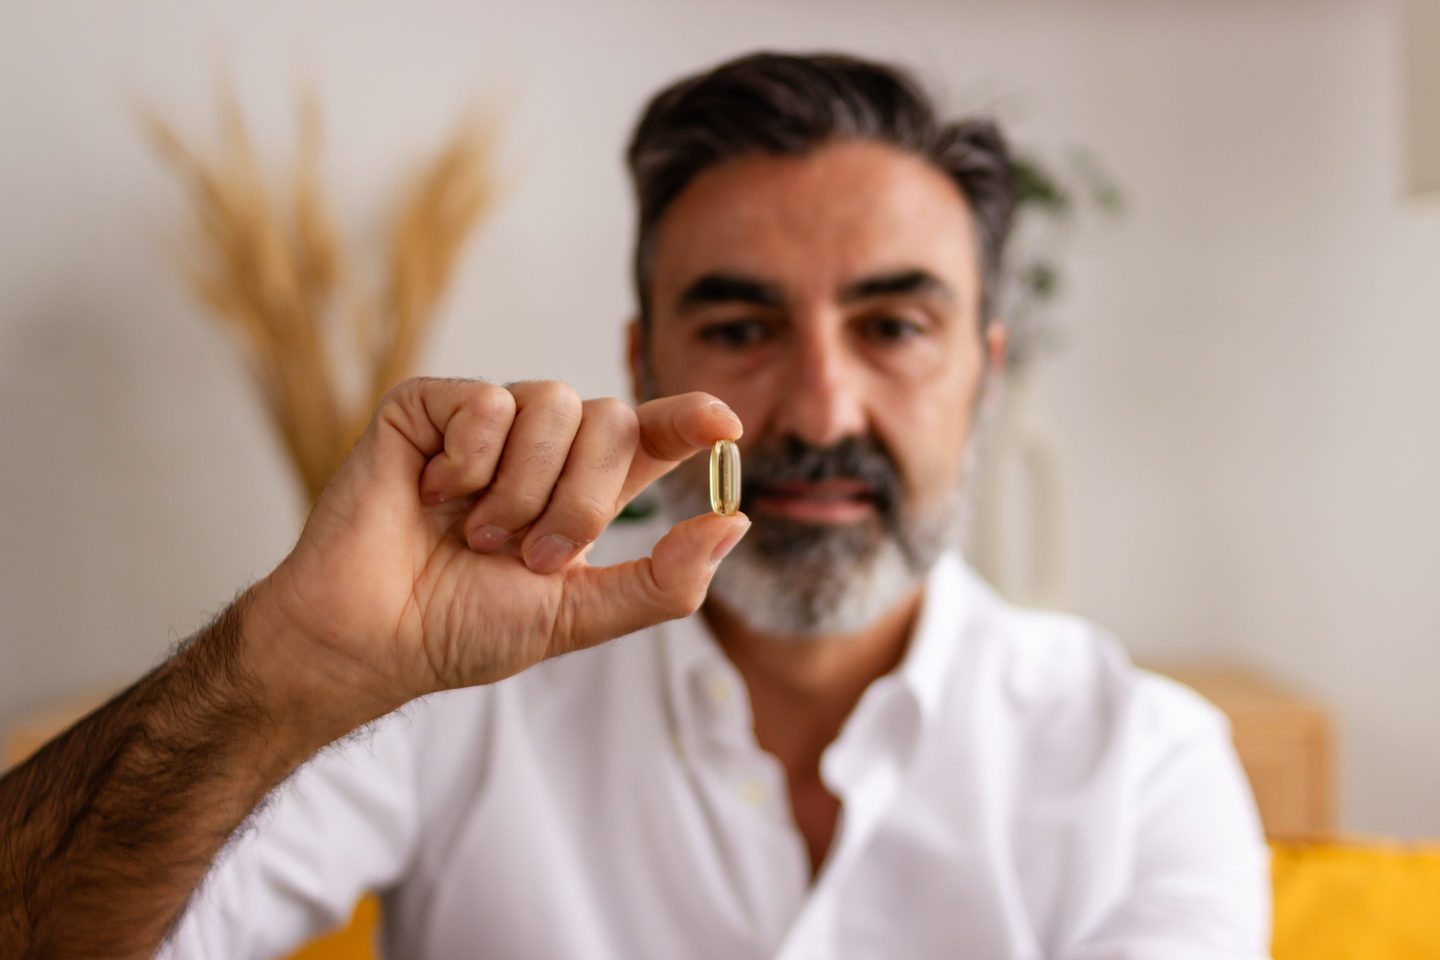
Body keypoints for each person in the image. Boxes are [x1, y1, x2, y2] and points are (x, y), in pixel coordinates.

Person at [0, 52, 1270, 959]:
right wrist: (287, 661)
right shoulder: (445, 694)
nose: (821, 410)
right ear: (646, 362)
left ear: (987, 373)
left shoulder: (1150, 767)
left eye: (893, 326)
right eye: (740, 325)